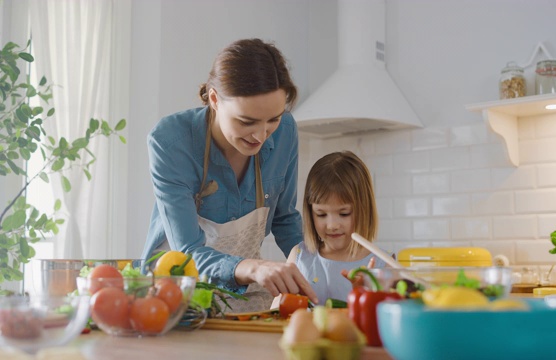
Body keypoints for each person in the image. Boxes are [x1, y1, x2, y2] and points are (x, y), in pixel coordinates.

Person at [141, 38, 318, 312]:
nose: (261, 136)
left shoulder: (286, 132)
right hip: (174, 294)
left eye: (273, 119)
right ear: (214, 99)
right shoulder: (170, 142)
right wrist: (253, 267)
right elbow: (186, 252)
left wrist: (318, 266)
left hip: (241, 292)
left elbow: (284, 218)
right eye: (247, 121)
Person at [272, 151, 386, 308]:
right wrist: (280, 302)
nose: (332, 225)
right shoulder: (300, 257)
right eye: (321, 214)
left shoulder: (383, 265)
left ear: (365, 209)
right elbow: (276, 313)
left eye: (344, 213)